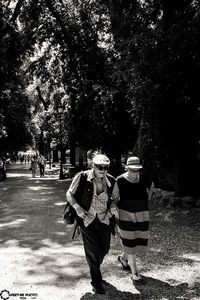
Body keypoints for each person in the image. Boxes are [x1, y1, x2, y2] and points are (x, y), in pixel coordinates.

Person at [66, 154, 116, 294]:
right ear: (93, 165)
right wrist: (77, 207)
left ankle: (95, 268)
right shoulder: (82, 177)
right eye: (100, 167)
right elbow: (69, 193)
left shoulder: (111, 180)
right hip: (87, 219)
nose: (103, 170)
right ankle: (96, 282)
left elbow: (115, 198)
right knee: (92, 251)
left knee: (105, 249)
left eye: (105, 167)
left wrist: (112, 206)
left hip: (104, 219)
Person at [113, 156, 154, 284]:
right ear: (127, 168)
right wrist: (117, 210)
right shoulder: (119, 180)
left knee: (137, 240)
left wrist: (147, 198)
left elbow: (151, 185)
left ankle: (123, 258)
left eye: (138, 170)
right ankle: (134, 273)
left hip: (142, 213)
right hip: (125, 214)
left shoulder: (144, 178)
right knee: (130, 241)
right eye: (133, 170)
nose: (136, 173)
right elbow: (115, 196)